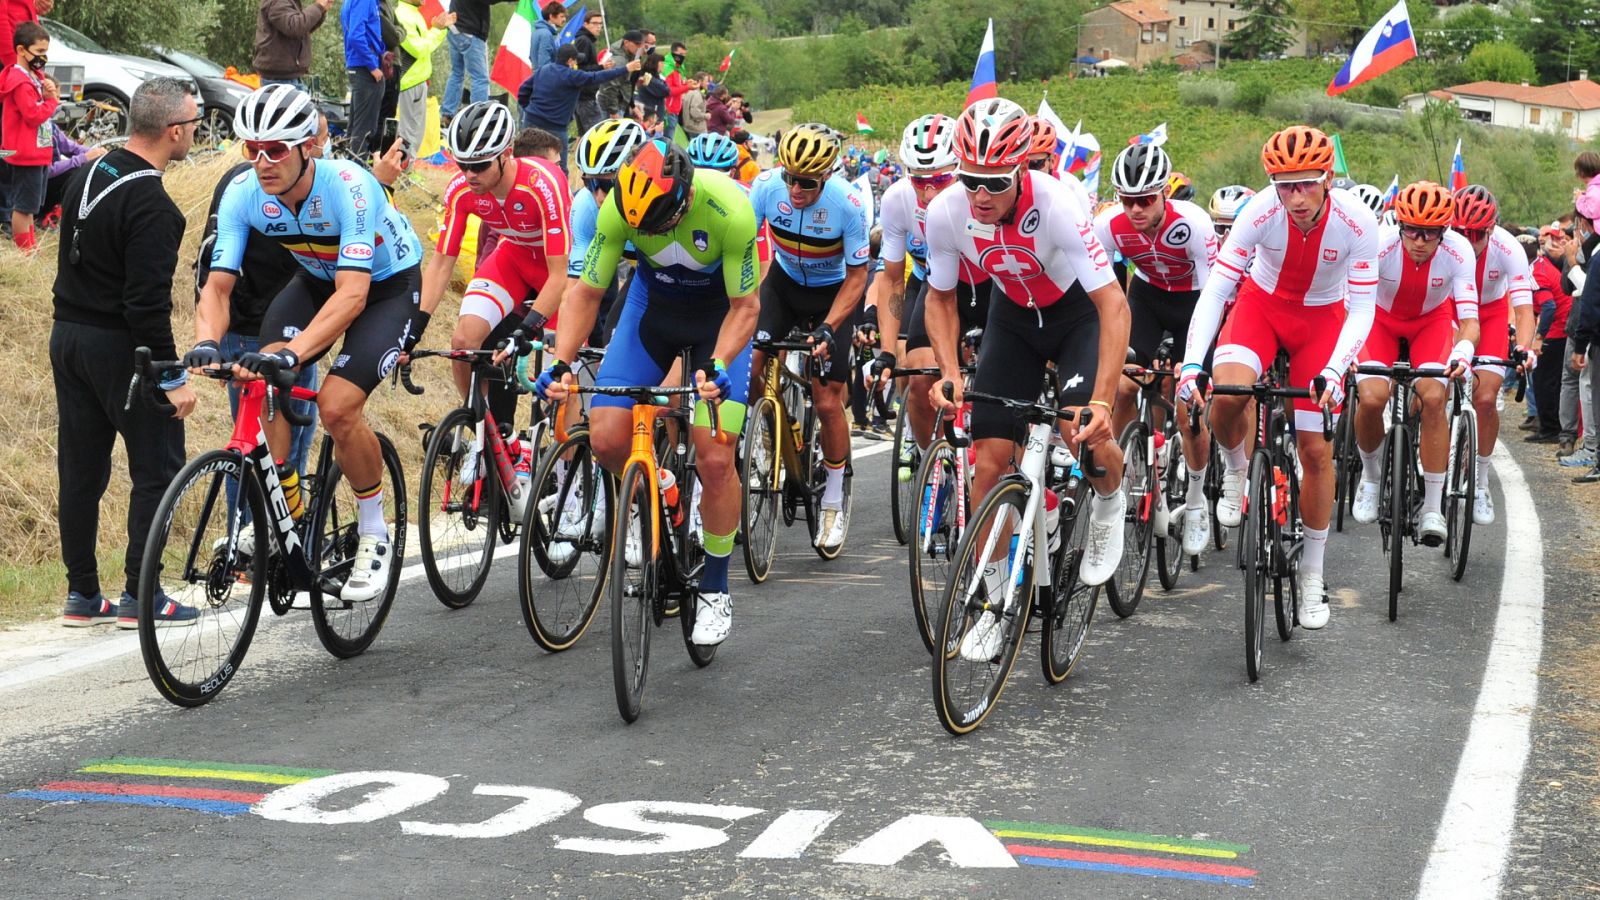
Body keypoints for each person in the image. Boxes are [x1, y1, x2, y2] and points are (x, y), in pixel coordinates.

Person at [191, 84, 424, 603]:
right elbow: (218, 285)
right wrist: (207, 342)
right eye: (252, 149)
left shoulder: (350, 186)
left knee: (338, 407)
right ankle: (287, 514)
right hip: (315, 278)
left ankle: (374, 530)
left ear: (308, 148)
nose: (262, 161)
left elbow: (355, 294)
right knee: (263, 381)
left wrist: (294, 354)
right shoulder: (243, 192)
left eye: (275, 149)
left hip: (386, 285)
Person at [527, 139, 759, 647]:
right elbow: (586, 291)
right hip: (651, 314)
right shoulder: (618, 206)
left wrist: (718, 366)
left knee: (716, 458)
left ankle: (716, 587)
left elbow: (746, 308)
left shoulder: (732, 209)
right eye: (642, 226)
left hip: (718, 323)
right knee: (606, 437)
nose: (649, 233)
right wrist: (561, 363)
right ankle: (659, 493)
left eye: (659, 222)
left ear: (684, 195)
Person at [924, 98, 1129, 662]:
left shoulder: (1059, 205)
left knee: (1078, 430)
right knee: (987, 461)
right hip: (1010, 319)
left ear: (1021, 170)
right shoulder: (946, 211)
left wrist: (1104, 401)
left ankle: (1110, 501)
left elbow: (1113, 305)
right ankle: (992, 606)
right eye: (970, 179)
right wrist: (947, 370)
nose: (980, 194)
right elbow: (940, 296)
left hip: (1074, 318)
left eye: (993, 181)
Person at [1178, 125, 1378, 631]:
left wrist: (1335, 368)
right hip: (1262, 309)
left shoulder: (1357, 221)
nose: (1297, 196)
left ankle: (1312, 572)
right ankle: (1237, 470)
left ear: (1327, 177)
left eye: (1307, 183)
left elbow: (1361, 308)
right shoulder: (1259, 212)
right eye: (1285, 185)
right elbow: (1217, 291)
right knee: (1227, 393)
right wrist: (1190, 365)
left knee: (1314, 449)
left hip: (1323, 321)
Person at [52, 78, 200, 628]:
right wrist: (169, 376)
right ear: (174, 131)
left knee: (81, 469)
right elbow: (146, 305)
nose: (196, 128)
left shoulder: (90, 170)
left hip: (66, 335)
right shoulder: (154, 204)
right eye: (193, 119)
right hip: (120, 347)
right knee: (158, 466)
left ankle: (82, 595)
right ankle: (143, 594)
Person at [415, 102, 570, 523]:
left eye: (479, 165)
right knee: (464, 342)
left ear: (506, 155)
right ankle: (487, 435)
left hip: (558, 270)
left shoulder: (543, 183)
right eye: (462, 164)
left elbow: (558, 276)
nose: (469, 175)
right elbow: (442, 263)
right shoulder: (462, 190)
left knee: (564, 377)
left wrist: (529, 328)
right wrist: (415, 327)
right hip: (514, 258)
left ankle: (567, 474)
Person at [193, 115, 338, 481]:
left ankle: (246, 532)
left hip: (245, 325)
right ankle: (266, 534)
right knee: (276, 453)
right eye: (258, 151)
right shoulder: (285, 186)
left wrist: (211, 340)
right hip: (272, 328)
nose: (323, 147)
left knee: (249, 445)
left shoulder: (238, 179)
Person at [748, 123, 871, 551]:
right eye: (790, 178)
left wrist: (829, 327)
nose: (795, 190)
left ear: (827, 176)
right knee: (750, 364)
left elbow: (858, 277)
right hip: (782, 285)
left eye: (807, 183)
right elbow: (746, 248)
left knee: (825, 399)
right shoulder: (764, 187)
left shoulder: (849, 204)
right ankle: (753, 449)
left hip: (832, 295)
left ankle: (833, 502)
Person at [1094, 142, 1218, 557]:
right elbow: (1108, 292)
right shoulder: (1109, 225)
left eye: (1145, 199)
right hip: (1145, 299)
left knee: (1189, 408)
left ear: (1164, 192)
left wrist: (1194, 363)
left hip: (1194, 304)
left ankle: (1197, 502)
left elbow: (1214, 294)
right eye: (1127, 200)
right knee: (1124, 387)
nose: (1135, 210)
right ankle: (1131, 467)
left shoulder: (1195, 224)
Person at [1347, 182, 1479, 546]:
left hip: (1430, 322)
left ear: (1444, 232)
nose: (1419, 241)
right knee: (1372, 397)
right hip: (1378, 319)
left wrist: (1463, 352)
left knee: (1435, 398)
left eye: (1430, 233)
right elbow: (1351, 303)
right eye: (1412, 230)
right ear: (1400, 225)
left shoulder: (1459, 251)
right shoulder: (1378, 244)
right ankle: (1371, 477)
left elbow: (1469, 318)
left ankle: (1432, 508)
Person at [869, 114, 979, 474]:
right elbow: (892, 280)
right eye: (919, 181)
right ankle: (934, 462)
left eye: (941, 180)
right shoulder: (899, 199)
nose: (929, 192)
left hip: (984, 287)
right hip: (929, 282)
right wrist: (887, 352)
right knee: (917, 378)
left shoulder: (979, 198)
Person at [1452, 185, 1535, 523]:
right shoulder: (1444, 242)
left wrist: (1524, 348)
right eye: (1460, 232)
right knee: (1431, 387)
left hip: (1489, 315)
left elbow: (1525, 310)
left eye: (1476, 234)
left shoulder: (1507, 247)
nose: (1468, 241)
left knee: (1486, 398)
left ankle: (1481, 482)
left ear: (1491, 229)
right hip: (1449, 311)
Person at [518, 44, 639, 176]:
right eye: (575, 60)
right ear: (570, 61)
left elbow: (523, 89)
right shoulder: (572, 76)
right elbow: (596, 77)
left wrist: (528, 108)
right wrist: (626, 68)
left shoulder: (544, 70)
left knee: (526, 161)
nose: (576, 63)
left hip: (531, 121)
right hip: (555, 128)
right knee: (559, 168)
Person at [1, 21, 58, 252]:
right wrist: (52, 102)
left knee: (31, 206)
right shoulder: (20, 81)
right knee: (23, 207)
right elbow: (33, 115)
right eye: (39, 52)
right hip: (26, 153)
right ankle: (25, 253)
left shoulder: (33, 76)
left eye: (46, 52)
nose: (43, 58)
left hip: (36, 152)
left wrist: (47, 93)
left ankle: (31, 246)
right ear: (21, 50)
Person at [1530, 225, 1572, 445]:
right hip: (1562, 327)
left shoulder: (1537, 270)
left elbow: (1548, 307)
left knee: (1544, 381)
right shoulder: (1544, 265)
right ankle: (1549, 426)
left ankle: (1550, 428)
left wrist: (1539, 337)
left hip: (1557, 331)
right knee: (1551, 381)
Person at [394, 0, 452, 159]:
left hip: (417, 81)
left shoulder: (413, 13)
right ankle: (403, 171)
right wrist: (437, 30)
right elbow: (419, 49)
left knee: (415, 133)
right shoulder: (403, 16)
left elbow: (425, 46)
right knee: (408, 133)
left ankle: (407, 169)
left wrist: (439, 30)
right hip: (409, 83)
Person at [442, 0, 510, 123]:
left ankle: (447, 113)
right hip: (470, 32)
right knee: (480, 78)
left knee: (456, 73)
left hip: (455, 29)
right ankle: (478, 118)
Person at [253, 0, 333, 89]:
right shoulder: (278, 2)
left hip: (286, 78)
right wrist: (318, 7)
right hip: (279, 80)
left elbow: (303, 29)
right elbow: (294, 27)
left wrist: (321, 10)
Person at [342, 0, 385, 158]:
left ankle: (351, 168)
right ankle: (358, 170)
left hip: (358, 65)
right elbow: (356, 36)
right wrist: (372, 65)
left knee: (356, 126)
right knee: (364, 128)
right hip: (364, 68)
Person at [42, 121, 104, 222]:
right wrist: (83, 158)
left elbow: (71, 147)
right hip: (36, 188)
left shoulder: (49, 125)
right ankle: (45, 214)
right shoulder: (38, 129)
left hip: (43, 183)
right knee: (76, 173)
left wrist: (95, 152)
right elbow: (46, 171)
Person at [596, 29, 645, 118]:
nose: (640, 47)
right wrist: (613, 112)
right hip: (611, 107)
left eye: (641, 44)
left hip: (617, 103)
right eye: (637, 44)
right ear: (626, 42)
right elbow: (610, 86)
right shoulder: (620, 60)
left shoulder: (628, 54)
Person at [570, 9, 605, 134]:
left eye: (600, 23)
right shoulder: (584, 40)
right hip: (585, 96)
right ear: (585, 24)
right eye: (594, 23)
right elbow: (580, 69)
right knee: (596, 134)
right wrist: (602, 67)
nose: (599, 26)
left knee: (584, 135)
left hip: (582, 95)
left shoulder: (586, 40)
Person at [528, 1, 566, 72]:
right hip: (546, 78)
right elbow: (544, 63)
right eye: (561, 16)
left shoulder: (537, 31)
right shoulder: (546, 34)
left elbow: (532, 57)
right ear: (551, 16)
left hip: (537, 76)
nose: (564, 19)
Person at [680, 72, 709, 139]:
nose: (708, 83)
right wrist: (705, 116)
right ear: (700, 81)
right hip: (696, 128)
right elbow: (694, 112)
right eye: (706, 81)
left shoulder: (690, 92)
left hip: (689, 126)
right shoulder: (697, 94)